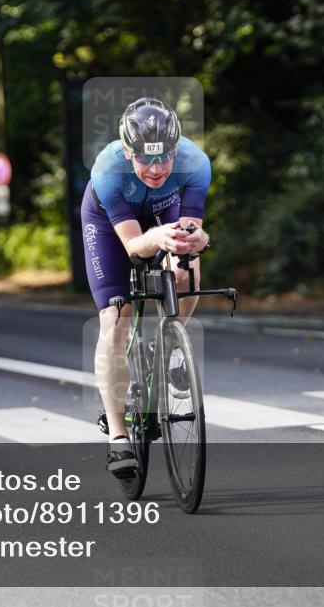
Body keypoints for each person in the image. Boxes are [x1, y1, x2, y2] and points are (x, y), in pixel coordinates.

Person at [81, 97, 211, 477]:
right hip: (110, 225)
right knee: (115, 320)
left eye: (164, 158)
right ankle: (119, 437)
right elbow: (136, 247)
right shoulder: (107, 170)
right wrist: (159, 238)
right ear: (127, 152)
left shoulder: (196, 163)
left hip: (163, 212)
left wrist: (195, 240)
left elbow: (189, 230)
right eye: (144, 159)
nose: (155, 170)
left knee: (187, 266)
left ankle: (170, 344)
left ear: (176, 149)